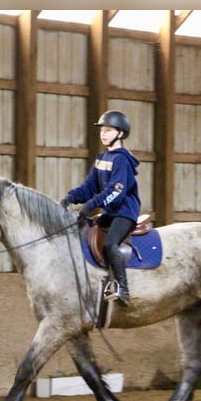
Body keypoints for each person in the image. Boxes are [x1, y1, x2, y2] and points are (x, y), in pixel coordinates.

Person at [60, 110, 141, 306]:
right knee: (82, 230)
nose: (103, 134)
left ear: (120, 133)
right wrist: (71, 197)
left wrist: (90, 206)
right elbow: (89, 186)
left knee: (109, 244)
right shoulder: (102, 158)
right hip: (111, 212)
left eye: (108, 130)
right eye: (102, 130)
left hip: (125, 212)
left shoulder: (121, 160)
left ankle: (123, 288)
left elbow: (116, 191)